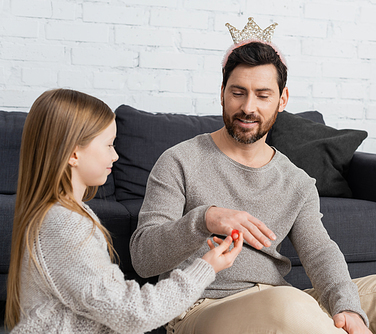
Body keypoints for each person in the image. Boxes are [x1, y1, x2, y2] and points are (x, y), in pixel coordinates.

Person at [130, 19, 376, 334]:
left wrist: (347, 306)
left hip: (278, 299)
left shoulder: (295, 181)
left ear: (282, 100)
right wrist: (205, 219)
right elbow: (143, 257)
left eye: (262, 95)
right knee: (287, 304)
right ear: (222, 94)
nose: (248, 107)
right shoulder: (179, 161)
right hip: (201, 306)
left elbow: (320, 252)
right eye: (238, 92)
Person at [5, 88, 243, 333]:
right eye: (109, 145)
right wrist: (206, 267)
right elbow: (134, 314)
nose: (116, 155)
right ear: (74, 153)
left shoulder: (59, 215)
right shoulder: (65, 224)